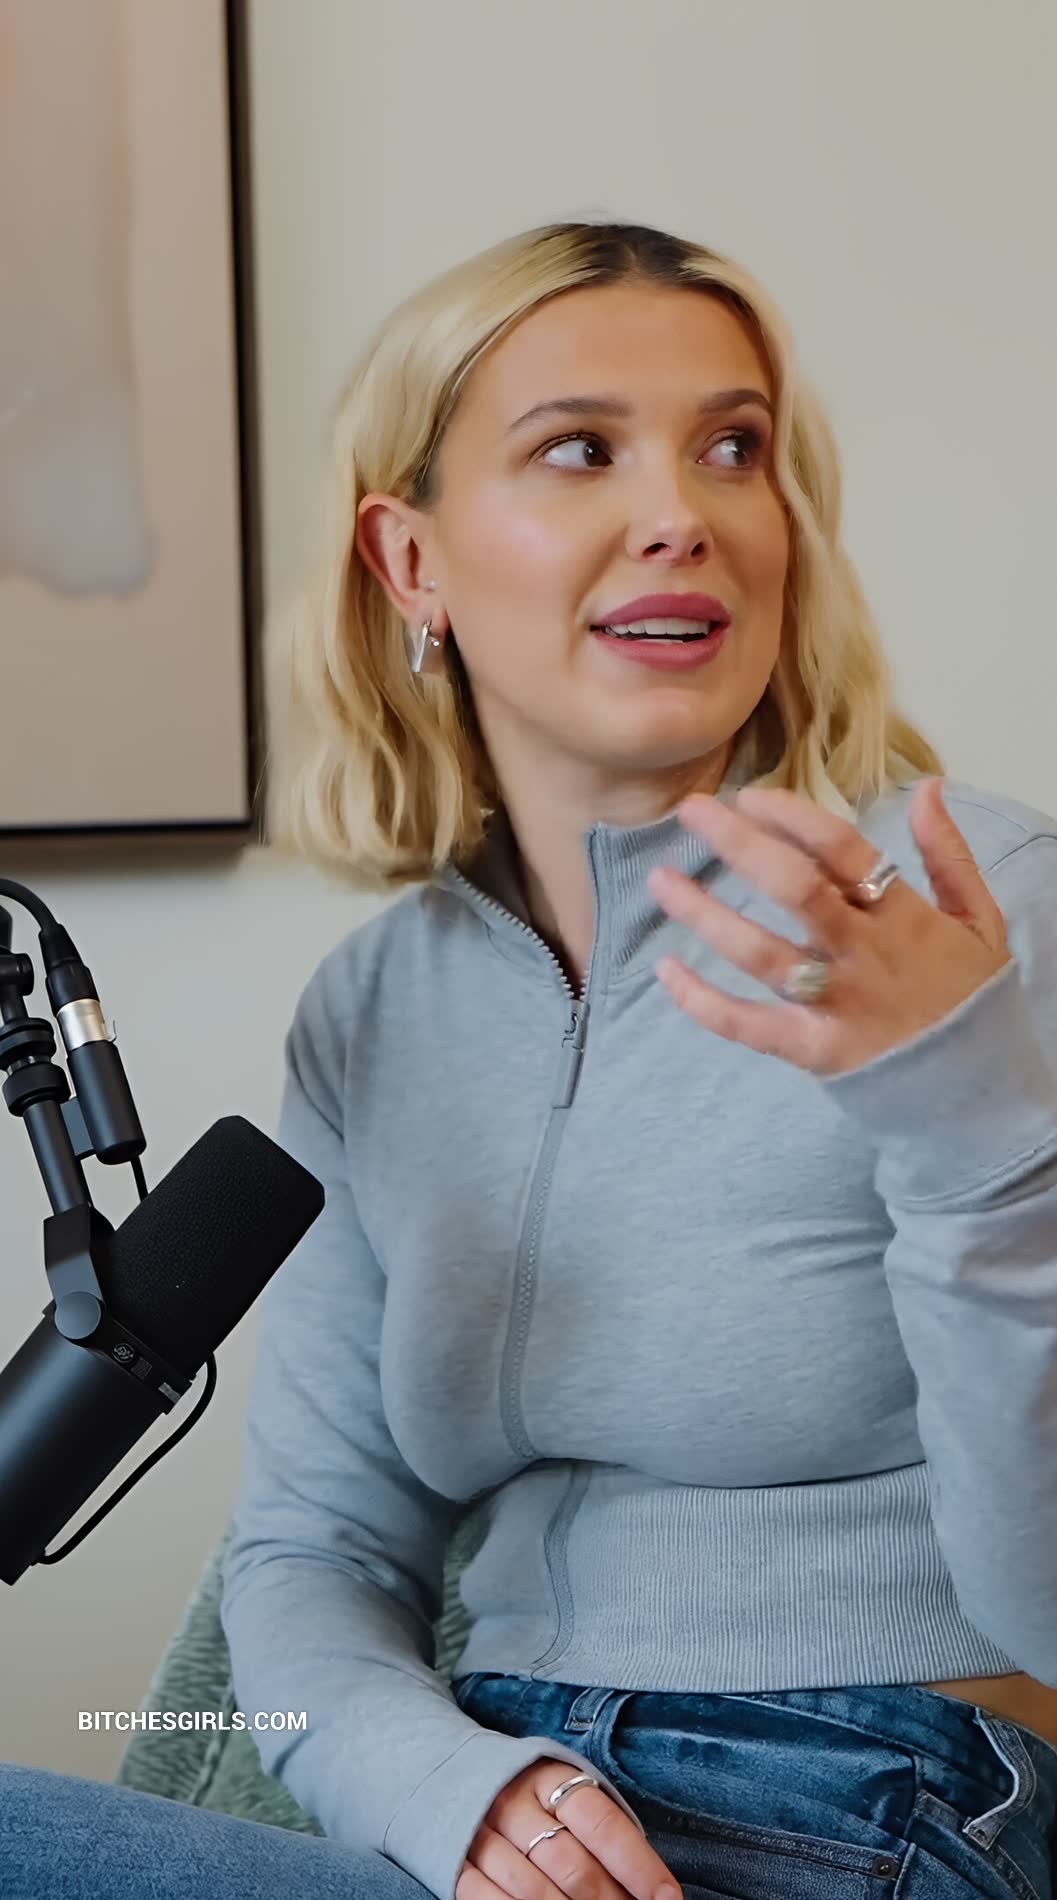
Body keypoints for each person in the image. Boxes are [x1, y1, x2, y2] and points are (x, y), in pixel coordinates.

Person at [3, 219, 1056, 1900]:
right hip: (489, 1800)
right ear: (409, 560)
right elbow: (316, 1546)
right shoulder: (373, 1011)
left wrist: (970, 1137)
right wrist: (448, 1791)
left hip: (855, 1803)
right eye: (580, 449)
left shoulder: (970, 907)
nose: (681, 514)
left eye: (733, 449)